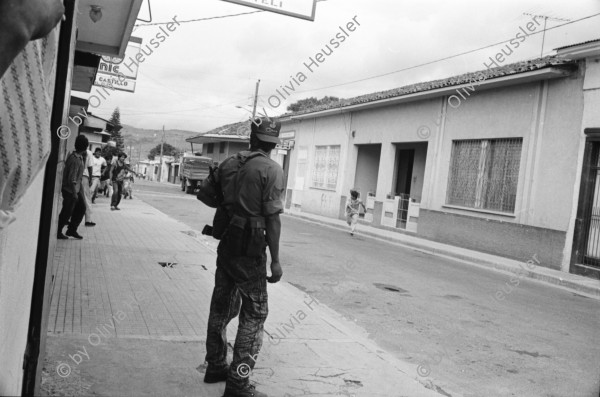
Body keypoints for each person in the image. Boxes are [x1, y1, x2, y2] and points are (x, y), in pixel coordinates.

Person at [204, 117, 284, 397]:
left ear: (252, 138)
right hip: (250, 247)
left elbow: (208, 197)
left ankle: (215, 365)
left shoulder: (228, 163)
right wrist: (275, 260)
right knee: (255, 312)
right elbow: (272, 219)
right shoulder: (272, 170)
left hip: (226, 241)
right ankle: (238, 383)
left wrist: (233, 202)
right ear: (274, 144)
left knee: (221, 304)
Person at [57, 135, 88, 240]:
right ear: (85, 147)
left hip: (76, 189)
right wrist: (75, 194)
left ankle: (71, 230)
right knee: (67, 211)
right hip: (70, 190)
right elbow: (72, 179)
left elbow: (77, 179)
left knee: (81, 208)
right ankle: (59, 231)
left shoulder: (78, 157)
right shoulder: (75, 159)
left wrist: (80, 192)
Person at [81, 149, 96, 226]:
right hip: (84, 176)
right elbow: (90, 167)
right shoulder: (89, 153)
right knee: (87, 198)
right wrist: (90, 178)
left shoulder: (74, 151)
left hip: (77, 176)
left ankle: (68, 219)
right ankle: (88, 220)